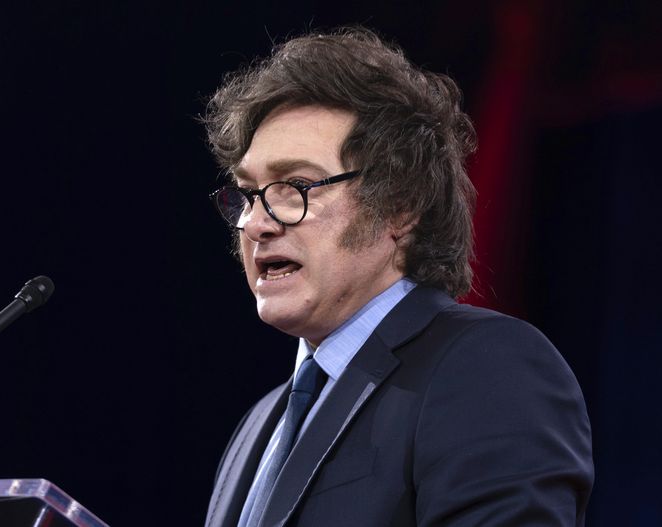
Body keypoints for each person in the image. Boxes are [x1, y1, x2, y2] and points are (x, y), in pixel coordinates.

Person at [202, 28, 593, 527]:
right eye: (248, 193)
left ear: (400, 206)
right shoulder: (259, 425)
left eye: (296, 186)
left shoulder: (486, 368)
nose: (256, 223)